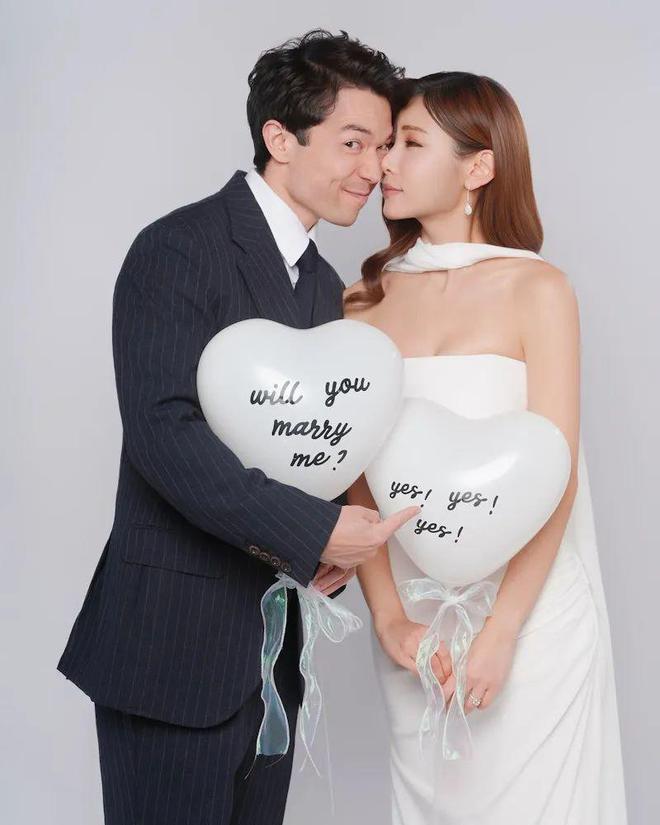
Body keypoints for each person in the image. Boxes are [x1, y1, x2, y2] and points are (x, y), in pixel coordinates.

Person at [56, 29, 418, 825]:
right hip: (169, 649)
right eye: (354, 142)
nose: (374, 168)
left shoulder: (322, 285)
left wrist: (324, 551)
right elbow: (164, 435)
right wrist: (316, 529)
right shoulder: (179, 247)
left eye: (384, 145)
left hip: (270, 664)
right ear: (280, 138)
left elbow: (307, 444)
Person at [344, 72, 628, 824]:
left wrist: (503, 632)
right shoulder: (362, 302)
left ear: (478, 167)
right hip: (417, 623)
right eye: (385, 144)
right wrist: (389, 618)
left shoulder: (539, 289)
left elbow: (556, 473)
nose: (383, 163)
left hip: (532, 621)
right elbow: (357, 482)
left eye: (409, 144)